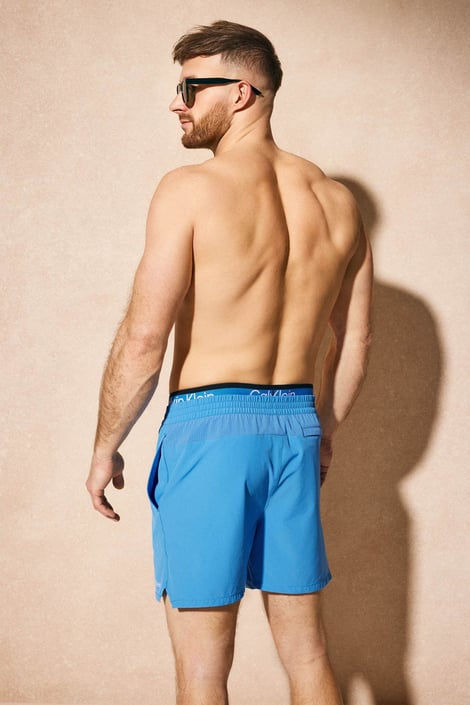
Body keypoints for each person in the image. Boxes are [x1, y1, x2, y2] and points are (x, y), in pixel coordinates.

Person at [86, 20, 373, 705]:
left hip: (209, 429)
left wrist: (105, 445)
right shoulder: (338, 204)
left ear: (241, 93)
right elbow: (354, 343)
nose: (176, 102)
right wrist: (324, 431)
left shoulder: (190, 189)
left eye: (190, 87)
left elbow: (144, 339)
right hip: (295, 428)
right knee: (308, 656)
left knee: (203, 669)